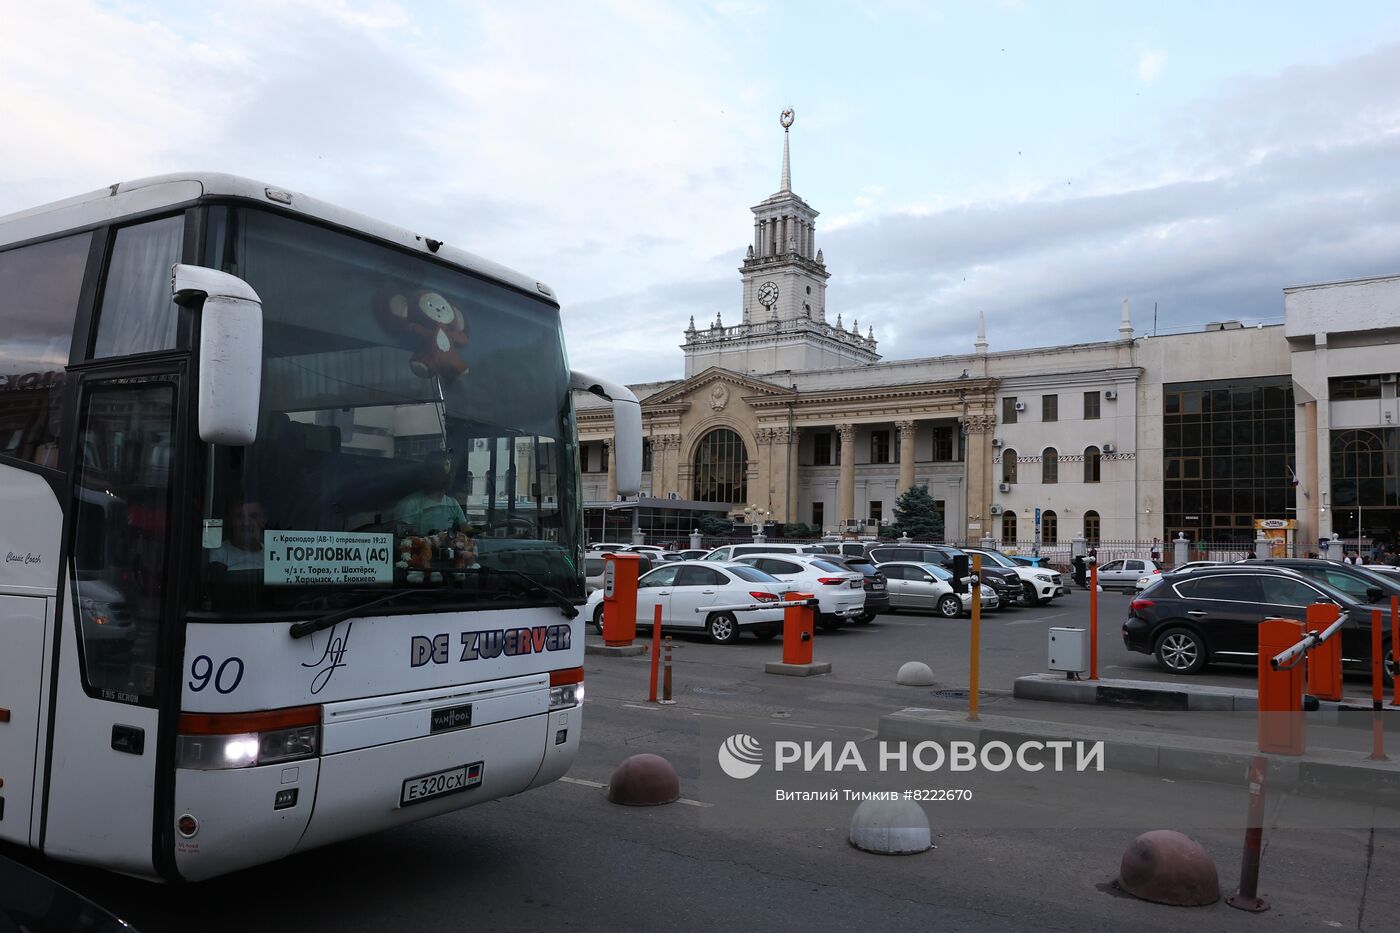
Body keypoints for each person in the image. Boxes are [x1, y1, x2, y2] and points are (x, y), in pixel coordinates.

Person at [395, 450, 467, 534]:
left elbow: (467, 531)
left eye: (451, 471)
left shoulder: (452, 504)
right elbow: (403, 540)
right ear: (429, 473)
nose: (449, 476)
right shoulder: (411, 504)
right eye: (442, 471)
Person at [209, 499, 267, 571]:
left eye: (253, 516)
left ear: (263, 521)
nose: (246, 523)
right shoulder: (218, 555)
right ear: (231, 522)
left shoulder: (272, 554)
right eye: (239, 517)